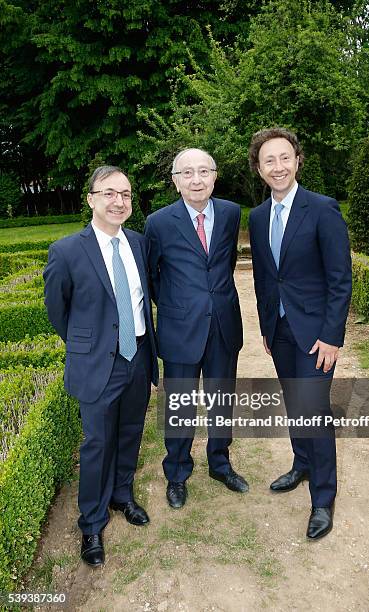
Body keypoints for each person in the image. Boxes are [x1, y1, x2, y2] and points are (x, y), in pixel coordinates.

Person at [43, 166, 158, 566]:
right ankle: (91, 522)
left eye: (125, 194)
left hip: (138, 357)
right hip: (97, 365)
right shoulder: (67, 251)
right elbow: (59, 312)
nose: (118, 202)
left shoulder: (140, 244)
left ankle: (122, 495)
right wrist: (88, 347)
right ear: (91, 198)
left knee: (130, 433)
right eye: (109, 193)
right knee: (96, 444)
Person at [248, 128, 352, 539]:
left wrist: (332, 336)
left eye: (285, 157)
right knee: (294, 403)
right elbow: (263, 277)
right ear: (259, 168)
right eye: (269, 160)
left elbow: (340, 280)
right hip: (281, 331)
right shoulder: (256, 218)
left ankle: (323, 498)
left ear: (297, 161)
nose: (279, 166)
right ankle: (301, 463)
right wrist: (266, 327)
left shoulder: (322, 209)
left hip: (316, 334)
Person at [145, 148, 248, 508]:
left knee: (222, 400)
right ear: (175, 181)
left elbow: (225, 263)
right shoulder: (158, 223)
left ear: (215, 176)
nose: (196, 179)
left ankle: (220, 463)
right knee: (180, 405)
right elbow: (152, 276)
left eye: (203, 171)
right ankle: (176, 472)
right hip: (179, 329)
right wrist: (179, 305)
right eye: (187, 173)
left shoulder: (232, 213)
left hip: (223, 324)